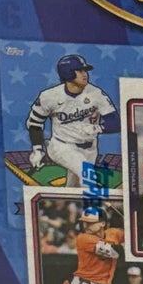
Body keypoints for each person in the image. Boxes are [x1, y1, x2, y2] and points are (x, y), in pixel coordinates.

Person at [27, 55, 113, 186]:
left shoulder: (96, 94)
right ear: (68, 73)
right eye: (80, 70)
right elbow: (35, 123)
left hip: (90, 148)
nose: (85, 74)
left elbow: (115, 122)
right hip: (62, 146)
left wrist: (98, 128)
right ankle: (95, 201)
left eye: (85, 70)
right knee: (88, 177)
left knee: (74, 188)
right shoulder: (50, 96)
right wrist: (37, 149)